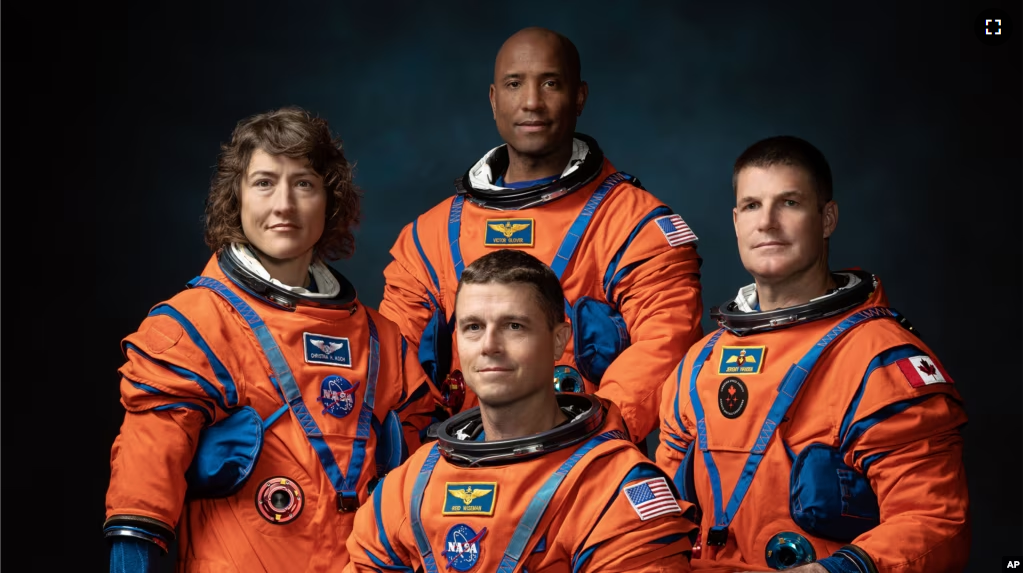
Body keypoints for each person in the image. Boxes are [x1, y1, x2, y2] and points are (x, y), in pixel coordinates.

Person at [103, 106, 435, 572]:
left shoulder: (382, 342)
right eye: (263, 182)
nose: (284, 204)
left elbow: (425, 494)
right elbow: (143, 479)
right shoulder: (193, 327)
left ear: (330, 201)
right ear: (235, 199)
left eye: (303, 183)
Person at [655, 136, 970, 573]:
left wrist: (837, 570)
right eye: (751, 205)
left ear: (826, 218)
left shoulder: (878, 359)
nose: (766, 222)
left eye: (788, 203)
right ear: (735, 221)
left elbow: (935, 520)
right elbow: (659, 519)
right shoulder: (699, 364)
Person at [378, 27, 704, 448]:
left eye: (550, 83)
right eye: (515, 84)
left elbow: (666, 343)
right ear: (494, 100)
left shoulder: (634, 224)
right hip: (456, 467)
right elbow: (395, 364)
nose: (532, 101)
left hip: (581, 468)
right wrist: (422, 463)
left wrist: (585, 441)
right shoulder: (430, 236)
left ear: (579, 97)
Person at [344, 249, 702, 572]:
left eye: (514, 326)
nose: (489, 346)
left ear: (559, 340)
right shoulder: (411, 484)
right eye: (473, 327)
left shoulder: (614, 487)